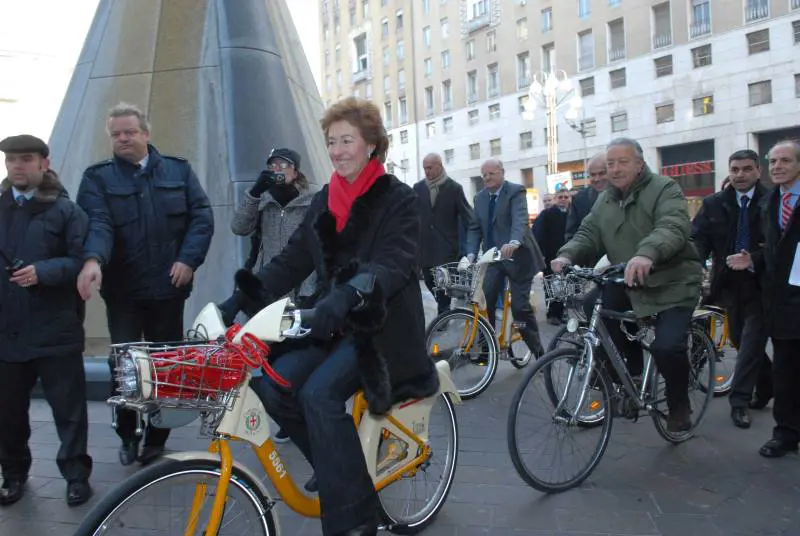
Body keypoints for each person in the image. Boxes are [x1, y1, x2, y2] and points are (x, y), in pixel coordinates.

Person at [231, 97, 439, 536]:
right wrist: (241, 297)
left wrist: (350, 293)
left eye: (347, 140)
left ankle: (355, 520)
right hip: (329, 319)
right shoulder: (328, 197)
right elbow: (293, 259)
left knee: (319, 396)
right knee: (274, 384)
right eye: (331, 142)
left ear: (370, 145)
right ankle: (339, 472)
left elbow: (394, 263)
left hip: (378, 326)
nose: (338, 150)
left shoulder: (398, 198)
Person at [76, 103, 214, 466]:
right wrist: (94, 261)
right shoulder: (98, 178)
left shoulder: (178, 171)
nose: (122, 138)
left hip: (168, 291)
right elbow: (98, 224)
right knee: (122, 365)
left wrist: (188, 258)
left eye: (129, 132)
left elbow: (201, 216)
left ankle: (156, 438)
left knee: (165, 366)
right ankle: (127, 434)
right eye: (116, 134)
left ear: (145, 133)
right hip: (123, 292)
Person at [552, 137, 703, 433]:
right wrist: (567, 254)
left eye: (623, 162)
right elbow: (589, 233)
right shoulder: (605, 199)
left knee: (667, 346)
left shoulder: (664, 188)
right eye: (611, 163)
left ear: (639, 163)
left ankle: (679, 403)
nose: (615, 169)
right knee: (591, 307)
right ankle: (629, 377)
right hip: (630, 279)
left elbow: (672, 225)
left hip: (672, 279)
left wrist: (647, 253)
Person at [0, 135, 92, 506]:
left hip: (56, 327)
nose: (17, 167)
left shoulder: (67, 211)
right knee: (7, 414)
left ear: (44, 163)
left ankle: (76, 476)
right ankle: (13, 474)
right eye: (11, 161)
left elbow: (82, 260)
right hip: (8, 330)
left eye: (25, 159)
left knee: (69, 410)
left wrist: (45, 272)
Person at [219, 147, 320, 445]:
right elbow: (238, 227)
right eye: (272, 164)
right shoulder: (263, 201)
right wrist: (254, 193)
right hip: (268, 289)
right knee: (271, 355)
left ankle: (298, 410)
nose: (277, 169)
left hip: (303, 288)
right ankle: (287, 413)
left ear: (296, 170)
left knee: (296, 354)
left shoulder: (313, 200)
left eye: (284, 164)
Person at [691, 149, 772, 429]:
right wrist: (696, 260)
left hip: (762, 285)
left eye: (746, 169)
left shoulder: (772, 201)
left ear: (758, 171)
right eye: (735, 169)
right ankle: (768, 383)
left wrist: (754, 259)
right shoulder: (714, 204)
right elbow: (697, 237)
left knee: (750, 344)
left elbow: (781, 245)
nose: (740, 174)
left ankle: (739, 402)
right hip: (727, 285)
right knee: (738, 338)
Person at [466, 158, 546, 358]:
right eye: (483, 175)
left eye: (491, 173)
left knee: (520, 309)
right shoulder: (480, 198)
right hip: (493, 259)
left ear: (501, 173)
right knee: (484, 303)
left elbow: (520, 219)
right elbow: (475, 228)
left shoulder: (515, 191)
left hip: (518, 258)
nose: (487, 178)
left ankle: (538, 352)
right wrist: (470, 254)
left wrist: (514, 241)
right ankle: (487, 350)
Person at [751, 140, 800, 458]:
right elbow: (772, 250)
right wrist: (752, 259)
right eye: (773, 161)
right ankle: (785, 433)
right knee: (785, 370)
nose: (777, 166)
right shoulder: (769, 201)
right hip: (783, 301)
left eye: (785, 160)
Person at [413, 153, 473, 315]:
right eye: (424, 168)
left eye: (430, 167)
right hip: (425, 247)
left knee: (443, 281)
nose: (427, 171)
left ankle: (444, 310)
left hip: (446, 247)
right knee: (428, 279)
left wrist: (472, 242)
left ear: (439, 166)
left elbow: (468, 216)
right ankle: (442, 304)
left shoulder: (454, 188)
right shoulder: (418, 188)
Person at [533, 189, 571, 325]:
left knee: (567, 284)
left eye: (566, 197)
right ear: (556, 199)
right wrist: (541, 254)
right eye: (560, 197)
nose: (563, 199)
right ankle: (554, 314)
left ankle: (563, 311)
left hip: (569, 256)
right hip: (551, 255)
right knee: (552, 285)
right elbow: (539, 235)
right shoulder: (547, 214)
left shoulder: (573, 213)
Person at [565, 153, 609, 242]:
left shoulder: (624, 192)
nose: (597, 179)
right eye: (593, 175)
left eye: (602, 173)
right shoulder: (580, 199)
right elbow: (572, 234)